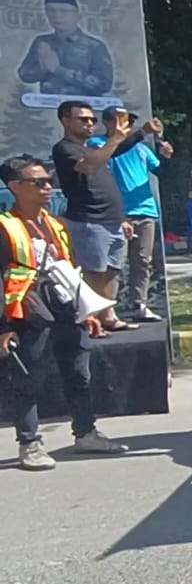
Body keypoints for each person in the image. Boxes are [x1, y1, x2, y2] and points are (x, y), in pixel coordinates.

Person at [0, 155, 128, 471]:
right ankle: (30, 443)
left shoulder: (55, 224)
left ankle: (86, 433)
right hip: (27, 309)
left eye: (49, 181)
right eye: (38, 182)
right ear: (15, 186)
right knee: (28, 378)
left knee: (78, 373)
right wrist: (4, 326)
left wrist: (88, 310)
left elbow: (68, 267)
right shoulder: (5, 227)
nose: (47, 187)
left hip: (65, 304)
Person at [52, 100, 152, 333]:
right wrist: (114, 139)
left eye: (93, 120)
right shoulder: (65, 148)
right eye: (83, 119)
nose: (90, 124)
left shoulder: (90, 148)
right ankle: (91, 320)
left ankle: (107, 316)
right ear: (66, 120)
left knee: (111, 271)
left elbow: (115, 151)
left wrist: (141, 133)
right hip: (89, 220)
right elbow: (87, 167)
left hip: (112, 220)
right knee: (94, 272)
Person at [88, 106, 170, 323]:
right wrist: (142, 133)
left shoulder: (141, 149)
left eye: (129, 122)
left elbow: (160, 171)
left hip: (146, 210)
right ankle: (107, 309)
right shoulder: (98, 144)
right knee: (113, 264)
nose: (126, 125)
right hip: (117, 213)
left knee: (142, 261)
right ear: (106, 123)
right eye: (120, 120)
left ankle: (139, 304)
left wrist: (165, 155)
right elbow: (114, 150)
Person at [15, 0, 114, 97]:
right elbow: (24, 75)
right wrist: (43, 68)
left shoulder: (94, 46)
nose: (57, 15)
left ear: (78, 15)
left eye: (64, 11)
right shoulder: (42, 42)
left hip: (82, 106)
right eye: (51, 10)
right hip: (48, 105)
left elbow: (104, 84)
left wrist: (59, 70)